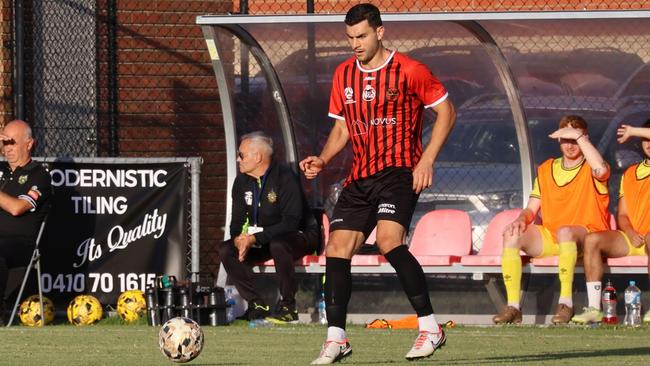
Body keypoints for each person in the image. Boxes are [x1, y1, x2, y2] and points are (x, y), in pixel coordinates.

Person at [300, 4, 456, 363]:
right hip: (360, 176)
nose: (355, 43)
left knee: (388, 240)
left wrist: (427, 159)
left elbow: (447, 111)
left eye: (362, 36)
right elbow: (342, 127)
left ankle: (431, 327)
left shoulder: (410, 70)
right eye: (350, 37)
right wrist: (323, 159)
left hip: (399, 171)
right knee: (337, 248)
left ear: (380, 32)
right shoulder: (343, 74)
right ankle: (337, 337)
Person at [492, 115, 610, 325]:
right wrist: (520, 219)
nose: (571, 145)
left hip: (587, 237)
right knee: (512, 233)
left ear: (585, 138)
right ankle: (513, 307)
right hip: (554, 236)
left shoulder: (591, 166)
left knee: (566, 231)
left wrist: (579, 137)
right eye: (566, 139)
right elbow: (531, 208)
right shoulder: (547, 169)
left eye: (575, 139)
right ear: (558, 140)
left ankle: (566, 303)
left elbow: (601, 169)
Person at [218, 131, 320, 323]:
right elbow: (237, 221)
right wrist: (238, 239)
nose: (237, 159)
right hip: (264, 239)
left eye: (241, 155)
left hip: (299, 236)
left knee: (278, 244)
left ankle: (288, 307)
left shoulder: (285, 177)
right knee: (226, 249)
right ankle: (257, 304)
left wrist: (254, 239)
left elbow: (291, 221)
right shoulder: (241, 182)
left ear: (257, 157)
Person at [572, 120, 650, 324]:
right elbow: (623, 215)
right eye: (644, 139)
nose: (648, 142)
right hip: (635, 238)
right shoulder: (630, 174)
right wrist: (631, 232)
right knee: (592, 240)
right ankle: (594, 308)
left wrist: (633, 130)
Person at [0, 120, 52, 324]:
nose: (7, 147)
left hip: (20, 244)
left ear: (29, 144)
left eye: (12, 142)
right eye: (4, 142)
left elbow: (17, 208)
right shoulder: (3, 172)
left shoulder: (39, 175)